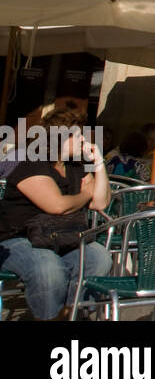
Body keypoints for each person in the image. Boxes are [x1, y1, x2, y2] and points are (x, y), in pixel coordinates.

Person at [0, 108, 112, 320]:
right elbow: (57, 206)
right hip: (20, 238)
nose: (84, 139)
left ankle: (71, 314)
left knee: (99, 258)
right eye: (77, 135)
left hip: (62, 235)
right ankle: (50, 316)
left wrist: (98, 163)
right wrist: (85, 193)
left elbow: (100, 202)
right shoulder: (31, 165)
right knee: (49, 267)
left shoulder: (75, 167)